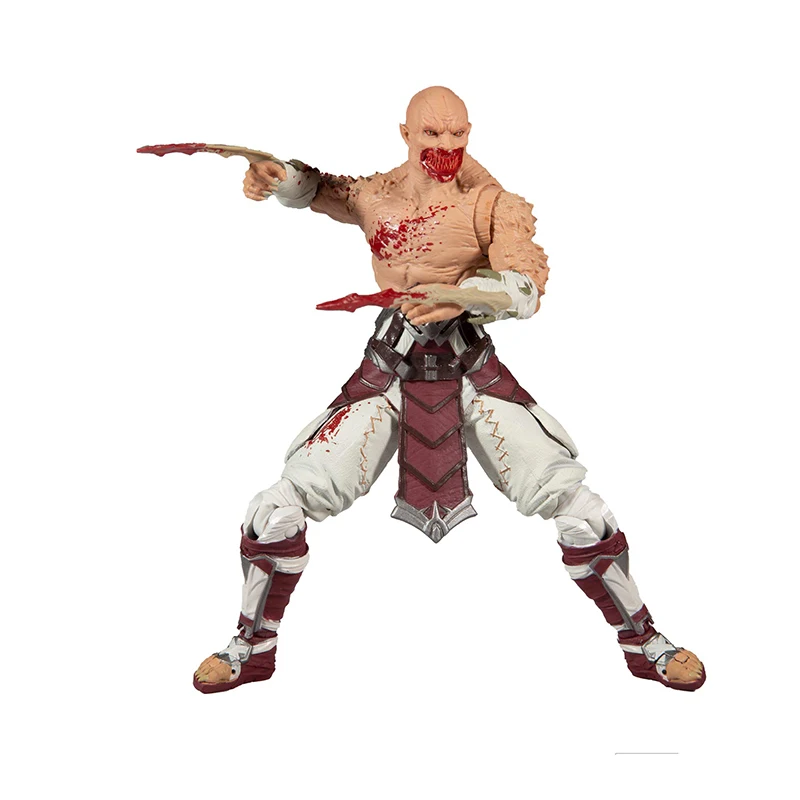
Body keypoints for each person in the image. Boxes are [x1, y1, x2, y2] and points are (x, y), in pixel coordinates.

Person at [192, 86, 705, 693]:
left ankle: (645, 641)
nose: (445, 146)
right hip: (389, 368)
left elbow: (525, 287)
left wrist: (466, 295)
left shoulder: (493, 205)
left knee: (584, 517)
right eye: (431, 134)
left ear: (470, 132)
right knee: (273, 513)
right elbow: (317, 189)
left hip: (468, 368)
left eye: (456, 134)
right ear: (405, 134)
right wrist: (275, 176)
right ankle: (251, 647)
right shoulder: (376, 195)